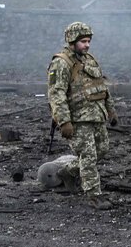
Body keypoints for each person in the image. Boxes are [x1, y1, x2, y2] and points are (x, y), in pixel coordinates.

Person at [47, 21, 117, 210]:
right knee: (88, 156)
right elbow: (56, 94)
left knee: (102, 150)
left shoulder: (89, 59)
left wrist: (111, 110)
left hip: (97, 115)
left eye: (88, 41)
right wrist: (64, 121)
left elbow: (102, 87)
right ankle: (94, 196)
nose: (87, 45)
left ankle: (68, 172)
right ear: (72, 41)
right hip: (78, 119)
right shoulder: (61, 63)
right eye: (83, 41)